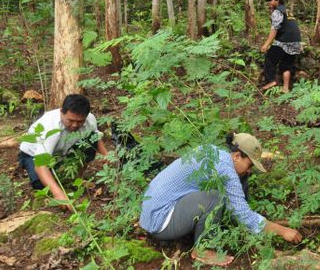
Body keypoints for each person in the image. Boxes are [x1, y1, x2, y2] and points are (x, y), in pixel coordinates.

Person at [139, 133, 302, 266]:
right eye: (250, 165)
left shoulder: (212, 151)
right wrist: (283, 231)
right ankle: (202, 249)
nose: (249, 171)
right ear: (237, 156)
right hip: (160, 222)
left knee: (214, 196)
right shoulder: (226, 171)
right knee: (214, 198)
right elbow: (243, 215)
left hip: (150, 213)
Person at [18, 94, 108, 211]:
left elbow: (95, 136)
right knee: (40, 184)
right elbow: (40, 165)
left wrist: (107, 155)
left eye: (80, 121)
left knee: (89, 141)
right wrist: (59, 194)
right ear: (62, 112)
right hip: (32, 154)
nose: (75, 125)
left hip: (61, 152)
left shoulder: (90, 119)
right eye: (70, 120)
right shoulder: (50, 128)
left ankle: (77, 179)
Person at [261, 0, 302, 93]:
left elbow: (274, 29)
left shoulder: (277, 12)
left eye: (271, 0)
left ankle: (271, 81)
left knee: (269, 58)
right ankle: (285, 88)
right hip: (295, 42)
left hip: (284, 41)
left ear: (277, 0)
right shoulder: (287, 11)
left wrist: (266, 44)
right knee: (286, 65)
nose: (269, 2)